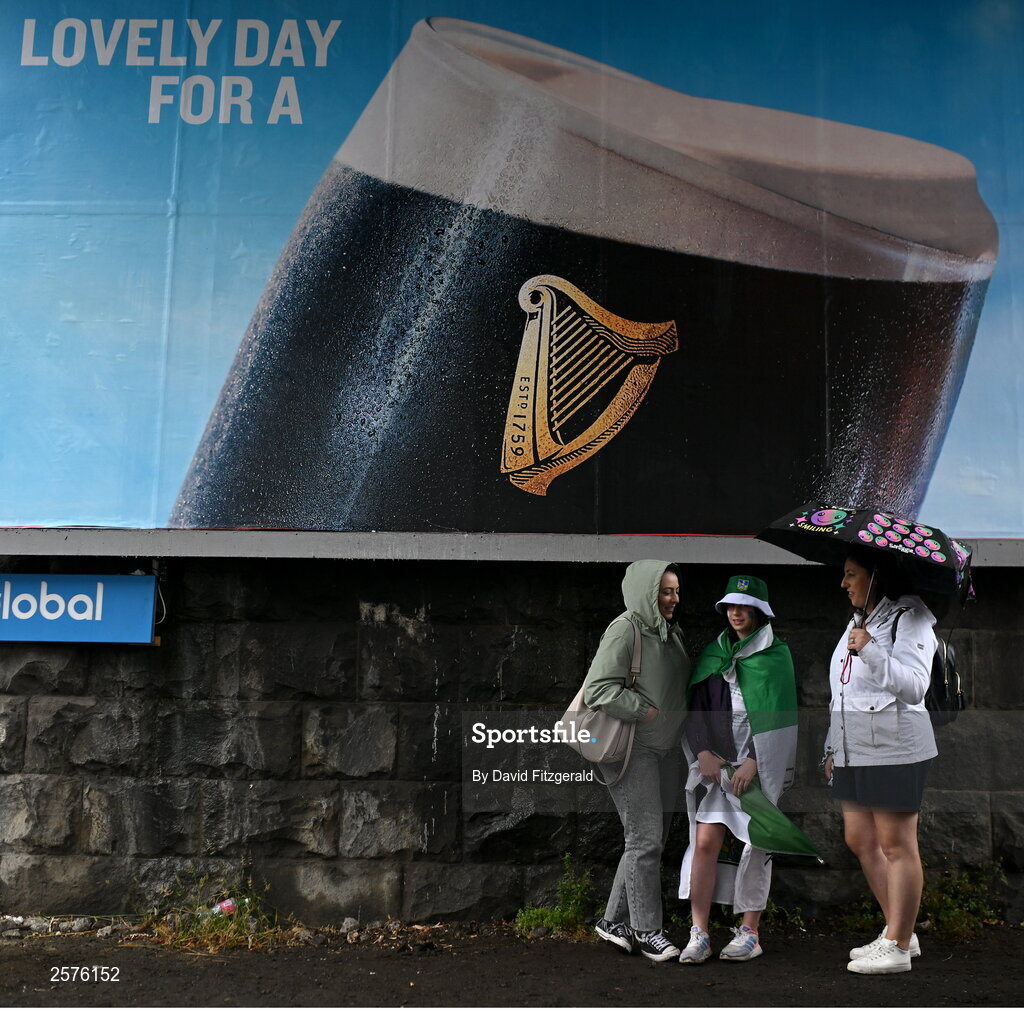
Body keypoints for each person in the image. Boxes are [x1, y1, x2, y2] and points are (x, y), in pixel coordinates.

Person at [824, 546, 938, 975]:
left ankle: (898, 945)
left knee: (896, 844)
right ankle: (899, 929)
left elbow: (915, 686)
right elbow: (844, 689)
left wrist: (871, 649)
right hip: (854, 748)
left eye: (851, 573)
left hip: (894, 747)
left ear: (876, 575)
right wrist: (832, 747)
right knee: (860, 838)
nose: (843, 582)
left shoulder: (911, 617)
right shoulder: (860, 620)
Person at [676, 574, 797, 964]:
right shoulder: (715, 654)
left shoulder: (776, 656)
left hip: (757, 771)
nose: (736, 613)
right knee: (704, 843)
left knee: (757, 846)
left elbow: (781, 715)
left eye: (745, 607)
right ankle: (699, 933)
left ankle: (750, 932)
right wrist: (703, 752)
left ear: (760, 612)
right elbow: (696, 708)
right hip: (719, 769)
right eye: (731, 606)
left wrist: (756, 761)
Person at [585, 559, 690, 962]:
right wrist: (644, 711)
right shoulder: (625, 629)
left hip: (663, 751)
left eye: (676, 591)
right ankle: (647, 931)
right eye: (665, 591)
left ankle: (613, 921)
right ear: (647, 593)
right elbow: (598, 689)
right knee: (645, 839)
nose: (673, 599)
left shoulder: (671, 633)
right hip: (632, 749)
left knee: (648, 840)